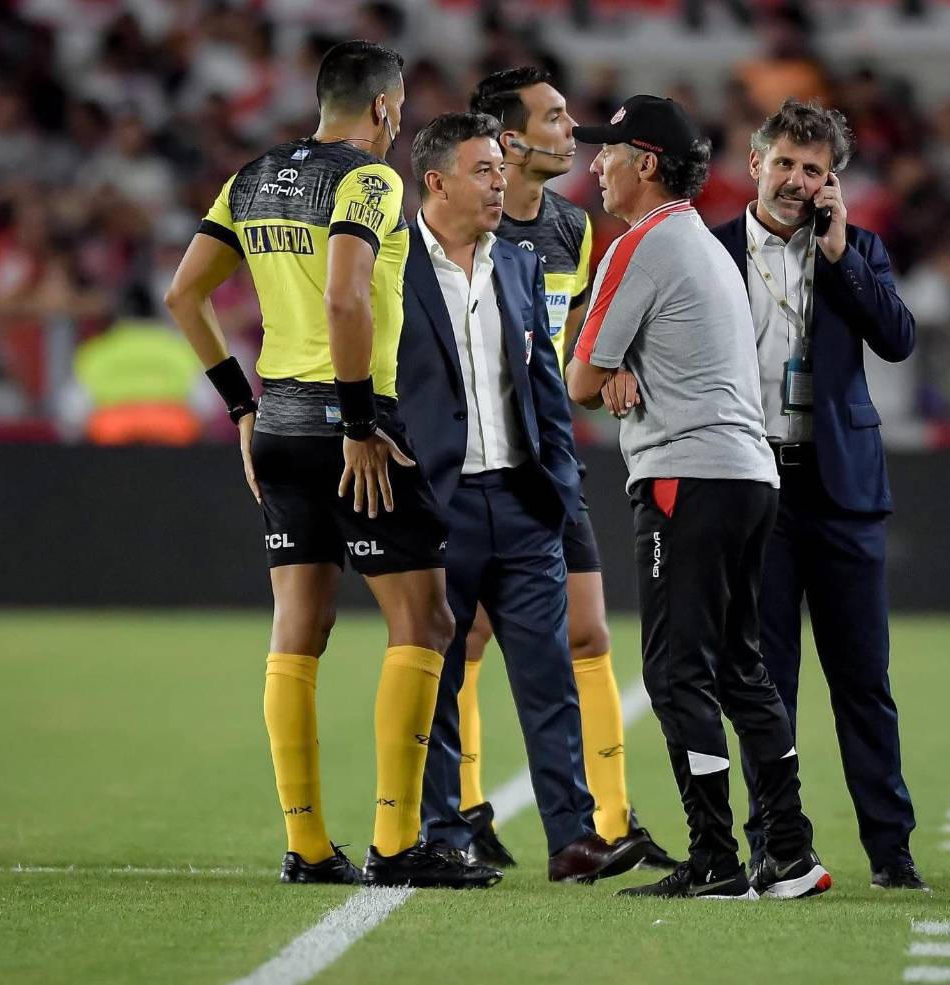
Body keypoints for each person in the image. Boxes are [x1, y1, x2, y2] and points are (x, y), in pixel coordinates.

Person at [163, 41, 499, 890]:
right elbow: (346, 294)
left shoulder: (252, 177)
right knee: (425, 624)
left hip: (276, 423)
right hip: (354, 422)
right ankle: (396, 841)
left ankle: (307, 847)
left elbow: (184, 295)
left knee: (299, 628)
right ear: (386, 110)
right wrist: (356, 422)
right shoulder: (371, 180)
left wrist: (241, 407)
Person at [566, 95, 830, 901]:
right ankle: (788, 852)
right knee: (743, 667)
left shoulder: (640, 245)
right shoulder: (706, 245)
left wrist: (607, 368)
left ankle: (714, 858)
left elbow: (578, 378)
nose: (596, 165)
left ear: (646, 162)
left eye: (608, 151)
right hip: (750, 476)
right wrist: (619, 365)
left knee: (680, 670)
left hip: (689, 475)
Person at [397, 112, 648, 885]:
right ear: (435, 181)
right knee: (437, 680)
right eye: (483, 172)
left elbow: (544, 387)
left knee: (547, 676)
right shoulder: (386, 266)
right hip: (437, 506)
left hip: (524, 498)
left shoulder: (516, 264)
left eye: (500, 172)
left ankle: (573, 837)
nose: (499, 185)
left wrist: (560, 486)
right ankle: (443, 833)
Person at [452, 65, 676, 870]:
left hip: (547, 459)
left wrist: (606, 366)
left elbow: (572, 340)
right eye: (553, 117)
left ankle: (610, 819)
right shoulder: (459, 232)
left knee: (587, 632)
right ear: (507, 139)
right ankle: (468, 809)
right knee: (466, 635)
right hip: (474, 458)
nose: (571, 130)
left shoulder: (573, 230)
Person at [710, 98, 925, 890]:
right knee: (767, 684)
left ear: (831, 180)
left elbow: (898, 340)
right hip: (750, 488)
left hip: (842, 491)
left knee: (863, 679)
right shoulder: (711, 251)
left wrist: (840, 256)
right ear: (754, 163)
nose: (798, 180)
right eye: (786, 164)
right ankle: (774, 842)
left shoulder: (857, 247)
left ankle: (892, 851)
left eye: (814, 169)